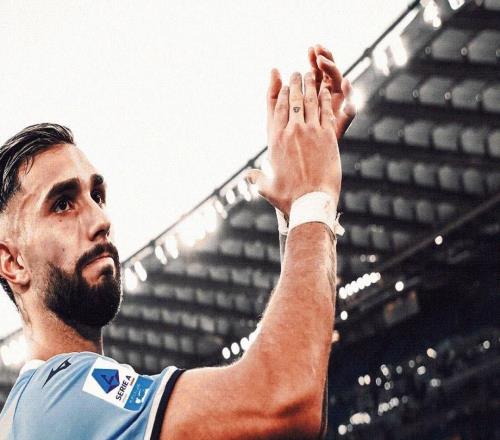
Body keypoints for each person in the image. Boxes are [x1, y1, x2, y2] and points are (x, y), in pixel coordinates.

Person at [0, 45, 355, 440]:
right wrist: (311, 196)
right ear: (12, 261)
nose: (101, 220)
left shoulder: (33, 410)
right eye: (63, 204)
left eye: (97, 196)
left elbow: (291, 415)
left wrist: (298, 216)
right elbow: (284, 402)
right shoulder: (59, 397)